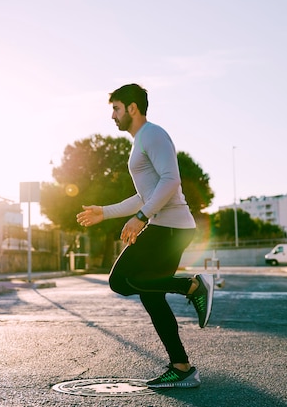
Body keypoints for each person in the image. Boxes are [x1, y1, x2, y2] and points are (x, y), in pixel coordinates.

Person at [76, 83, 214, 389]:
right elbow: (145, 195)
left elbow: (171, 180)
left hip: (171, 227)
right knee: (152, 297)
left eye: (116, 108)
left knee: (120, 280)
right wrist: (105, 211)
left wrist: (142, 218)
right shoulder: (140, 142)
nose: (112, 116)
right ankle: (182, 368)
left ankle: (192, 285)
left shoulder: (151, 134)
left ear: (132, 108)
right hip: (171, 227)